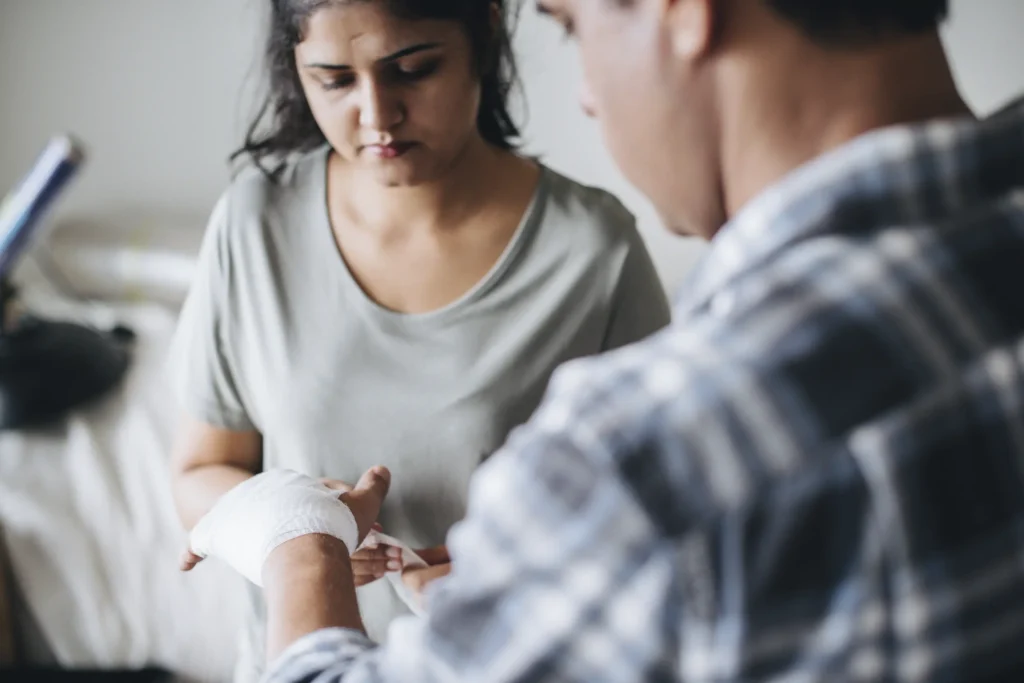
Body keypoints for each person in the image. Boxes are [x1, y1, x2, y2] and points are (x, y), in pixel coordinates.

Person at [195, 0, 1024, 680]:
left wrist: (302, 546)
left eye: (572, 25)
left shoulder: (646, 459)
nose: (588, 94)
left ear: (683, 11)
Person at [167, 0, 670, 679]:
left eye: (413, 69)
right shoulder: (254, 224)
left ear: (486, 31)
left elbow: (659, 520)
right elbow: (200, 471)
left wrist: (514, 582)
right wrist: (292, 524)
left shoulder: (594, 251)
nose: (376, 115)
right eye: (334, 79)